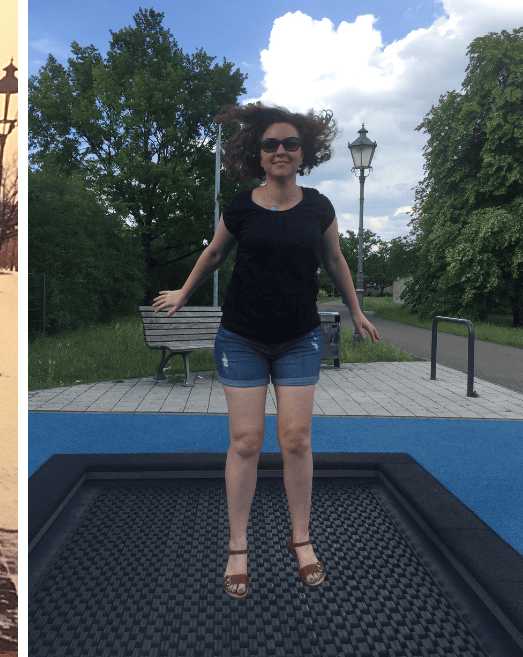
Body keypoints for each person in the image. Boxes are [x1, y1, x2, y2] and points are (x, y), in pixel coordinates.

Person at [153, 103, 380, 599]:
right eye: (271, 144)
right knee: (247, 442)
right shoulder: (240, 206)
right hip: (243, 337)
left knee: (296, 440)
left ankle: (301, 538)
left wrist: (357, 310)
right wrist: (183, 293)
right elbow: (214, 253)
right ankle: (239, 545)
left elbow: (336, 258)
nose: (280, 151)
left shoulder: (318, 206)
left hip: (299, 337)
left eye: (290, 144)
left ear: (304, 153)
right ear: (258, 154)